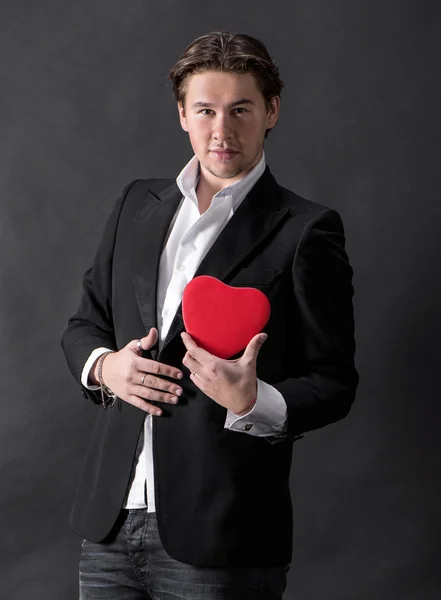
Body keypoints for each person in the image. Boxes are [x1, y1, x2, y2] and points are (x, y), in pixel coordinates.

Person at [61, 30, 358, 600]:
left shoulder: (306, 230)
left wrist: (252, 401)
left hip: (225, 533)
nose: (221, 131)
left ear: (271, 111)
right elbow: (84, 326)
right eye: (205, 110)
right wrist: (104, 369)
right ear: (182, 115)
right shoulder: (135, 205)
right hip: (108, 524)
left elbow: (335, 382)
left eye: (240, 110)